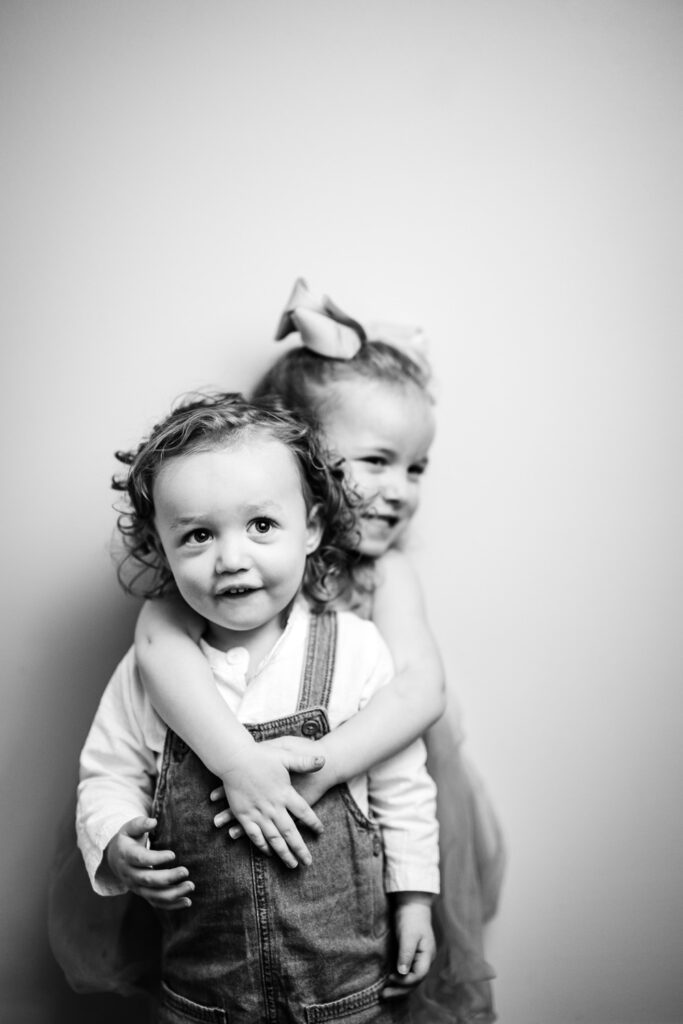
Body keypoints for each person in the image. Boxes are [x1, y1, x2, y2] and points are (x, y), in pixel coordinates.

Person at [135, 280, 505, 1022]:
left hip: (369, 795)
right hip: (226, 826)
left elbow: (417, 692)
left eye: (415, 468)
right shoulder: (235, 563)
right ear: (298, 455)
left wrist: (315, 771)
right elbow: (156, 642)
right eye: (376, 460)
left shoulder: (382, 572)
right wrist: (239, 764)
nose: (398, 491)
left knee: (367, 980)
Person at [77, 392, 440, 1023]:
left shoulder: (355, 649)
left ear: (313, 530)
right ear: (162, 551)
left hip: (343, 990)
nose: (232, 558)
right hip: (202, 994)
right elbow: (108, 772)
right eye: (196, 535)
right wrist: (113, 839)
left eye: (262, 526)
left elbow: (402, 786)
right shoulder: (152, 673)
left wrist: (415, 899)